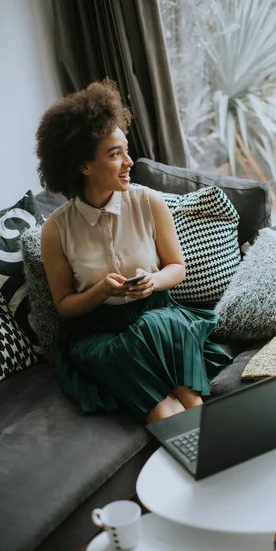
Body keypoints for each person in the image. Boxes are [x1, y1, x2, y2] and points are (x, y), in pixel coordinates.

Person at [36, 78, 232, 424]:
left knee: (156, 326)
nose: (129, 161)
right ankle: (193, 442)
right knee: (136, 354)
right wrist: (101, 291)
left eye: (125, 149)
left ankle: (203, 438)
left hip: (156, 311)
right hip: (98, 332)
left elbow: (176, 267)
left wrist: (153, 283)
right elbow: (65, 306)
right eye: (115, 154)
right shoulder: (56, 229)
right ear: (84, 165)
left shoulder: (148, 202)